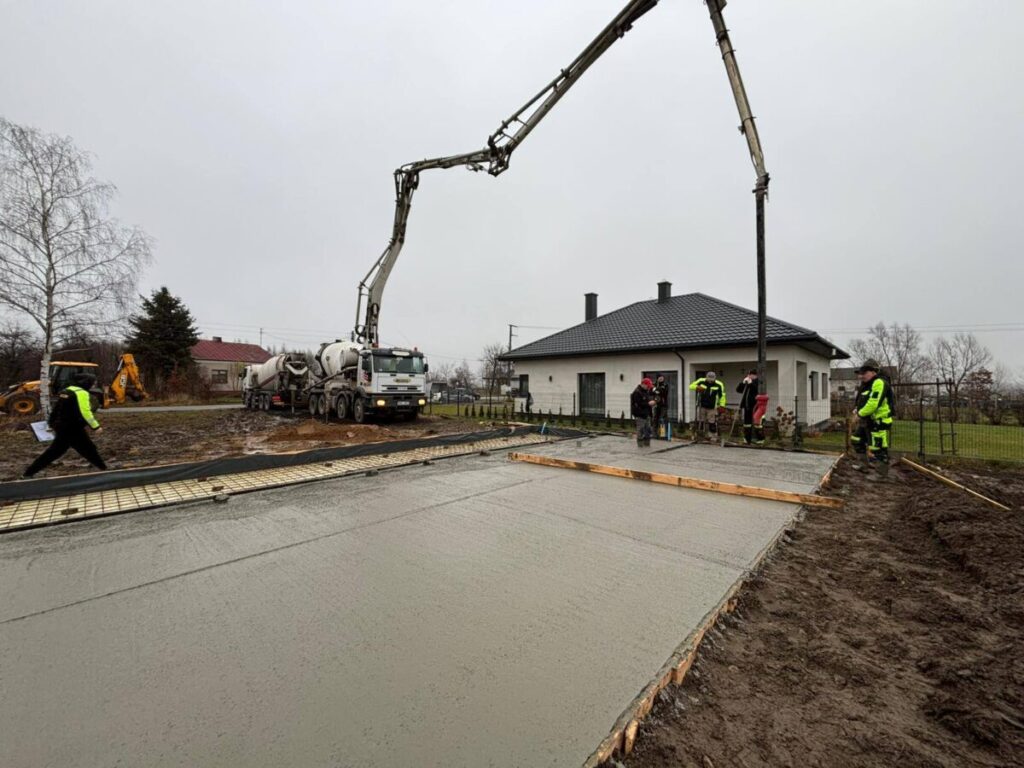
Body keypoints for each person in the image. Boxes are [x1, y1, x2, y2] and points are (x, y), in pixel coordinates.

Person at [23, 372, 108, 478]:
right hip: (73, 428)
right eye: (92, 382)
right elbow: (85, 412)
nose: (92, 385)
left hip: (63, 427)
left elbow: (57, 408)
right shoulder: (81, 393)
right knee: (58, 452)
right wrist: (96, 426)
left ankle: (102, 468)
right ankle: (104, 470)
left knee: (85, 448)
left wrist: (51, 423)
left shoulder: (67, 391)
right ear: (86, 383)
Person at [850, 359, 894, 476]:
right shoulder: (866, 385)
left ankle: (881, 475)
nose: (861, 376)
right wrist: (856, 410)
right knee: (856, 440)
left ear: (874, 372)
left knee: (878, 448)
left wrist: (859, 415)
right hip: (867, 420)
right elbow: (861, 401)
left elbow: (873, 404)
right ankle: (863, 465)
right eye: (860, 373)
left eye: (864, 373)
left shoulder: (879, 382)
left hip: (878, 421)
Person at [689, 370, 727, 437]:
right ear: (706, 377)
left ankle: (712, 436)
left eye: (712, 380)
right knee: (700, 420)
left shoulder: (719, 384)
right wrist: (697, 387)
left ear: (715, 378)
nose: (710, 381)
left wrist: (722, 405)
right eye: (709, 379)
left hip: (712, 406)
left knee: (712, 422)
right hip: (702, 405)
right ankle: (699, 434)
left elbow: (722, 396)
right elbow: (691, 386)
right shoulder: (701, 381)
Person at [736, 369, 764, 445]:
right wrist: (742, 383)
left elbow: (756, 390)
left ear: (754, 375)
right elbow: (738, 390)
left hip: (756, 406)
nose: (748, 376)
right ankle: (747, 439)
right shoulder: (747, 382)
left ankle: (760, 439)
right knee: (747, 424)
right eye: (748, 375)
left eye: (750, 375)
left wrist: (751, 384)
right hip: (747, 405)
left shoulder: (759, 382)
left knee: (757, 423)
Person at [631, 377, 657, 447]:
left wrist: (652, 403)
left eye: (649, 386)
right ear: (643, 384)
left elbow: (646, 401)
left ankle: (647, 445)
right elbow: (638, 404)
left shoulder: (646, 392)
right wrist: (648, 403)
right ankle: (640, 446)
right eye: (648, 386)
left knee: (648, 431)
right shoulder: (637, 392)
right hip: (640, 415)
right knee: (640, 431)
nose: (648, 388)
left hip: (647, 414)